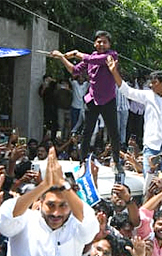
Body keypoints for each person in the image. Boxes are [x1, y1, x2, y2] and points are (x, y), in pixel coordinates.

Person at [52, 31, 123, 180]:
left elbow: (98, 60)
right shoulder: (90, 58)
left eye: (104, 42)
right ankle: (83, 161)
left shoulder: (112, 56)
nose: (101, 45)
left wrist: (77, 53)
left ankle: (116, 161)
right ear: (94, 43)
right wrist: (62, 58)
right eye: (98, 42)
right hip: (92, 99)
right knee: (86, 132)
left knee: (113, 132)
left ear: (109, 44)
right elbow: (74, 70)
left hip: (108, 100)